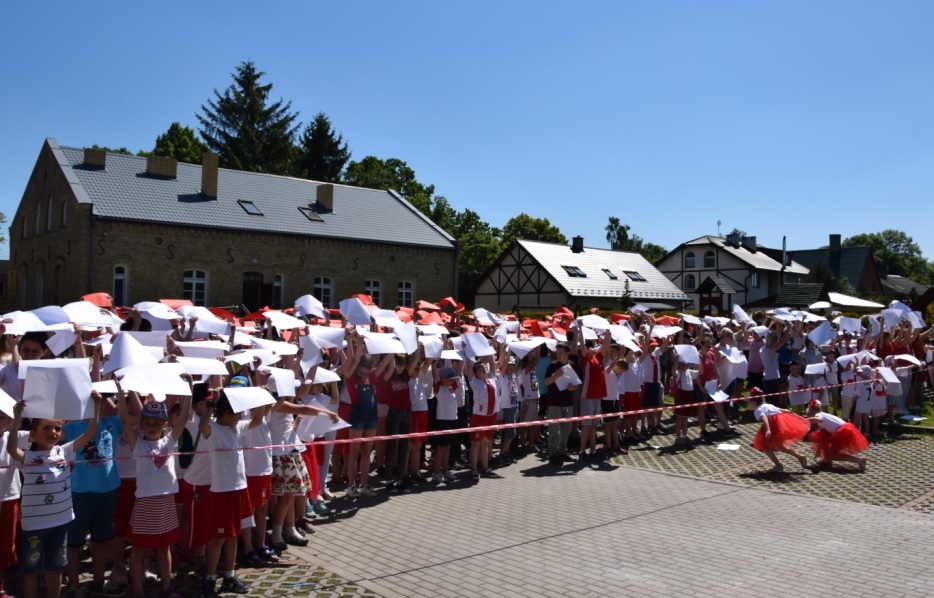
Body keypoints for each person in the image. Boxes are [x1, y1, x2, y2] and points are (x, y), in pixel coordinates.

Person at [6, 392, 103, 598]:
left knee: (56, 568)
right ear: (33, 433)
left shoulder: (65, 451)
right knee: (31, 570)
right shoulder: (29, 457)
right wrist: (16, 420)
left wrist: (96, 406)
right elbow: (11, 448)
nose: (53, 432)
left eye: (57, 428)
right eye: (47, 428)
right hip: (34, 527)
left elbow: (90, 432)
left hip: (61, 523)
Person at [116, 384, 190, 598]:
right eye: (147, 422)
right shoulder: (137, 444)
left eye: (156, 423)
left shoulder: (169, 441)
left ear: (165, 425)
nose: (151, 426)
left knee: (164, 547)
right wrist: (121, 392)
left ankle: (167, 587)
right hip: (146, 504)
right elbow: (123, 418)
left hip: (165, 502)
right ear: (141, 424)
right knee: (139, 550)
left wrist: (188, 389)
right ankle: (137, 591)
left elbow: (184, 417)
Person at [198, 388, 265, 597]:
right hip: (221, 492)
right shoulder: (214, 430)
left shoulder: (237, 427)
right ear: (226, 414)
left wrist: (259, 396)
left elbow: (257, 420)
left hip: (239, 490)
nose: (241, 417)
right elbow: (202, 425)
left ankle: (229, 575)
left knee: (234, 535)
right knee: (218, 539)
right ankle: (210, 578)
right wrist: (211, 404)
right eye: (237, 413)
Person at [0, 403, 30, 598]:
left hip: (8, 497)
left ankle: (0, 585)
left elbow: (40, 434)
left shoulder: (16, 437)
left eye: (0, 416)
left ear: (9, 421)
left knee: (4, 545)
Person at [747, 388, 810, 473]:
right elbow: (785, 410)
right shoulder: (768, 405)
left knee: (765, 446)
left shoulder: (757, 410)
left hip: (773, 426)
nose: (747, 405)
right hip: (780, 424)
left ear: (754, 402)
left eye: (748, 402)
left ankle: (778, 465)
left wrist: (768, 430)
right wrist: (800, 418)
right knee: (779, 446)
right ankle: (799, 457)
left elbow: (764, 417)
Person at [805, 400, 868, 471]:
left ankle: (859, 460)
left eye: (808, 415)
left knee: (834, 455)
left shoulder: (818, 415)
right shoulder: (824, 414)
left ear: (812, 413)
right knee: (823, 439)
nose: (808, 416)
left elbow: (818, 419)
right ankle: (827, 459)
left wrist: (804, 420)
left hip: (842, 433)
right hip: (846, 429)